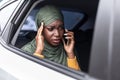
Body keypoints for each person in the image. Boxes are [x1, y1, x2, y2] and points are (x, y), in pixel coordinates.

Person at [21, 5, 80, 70]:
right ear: (41, 30)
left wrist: (70, 53)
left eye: (61, 28)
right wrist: (39, 51)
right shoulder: (27, 51)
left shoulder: (68, 49)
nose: (57, 34)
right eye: (51, 29)